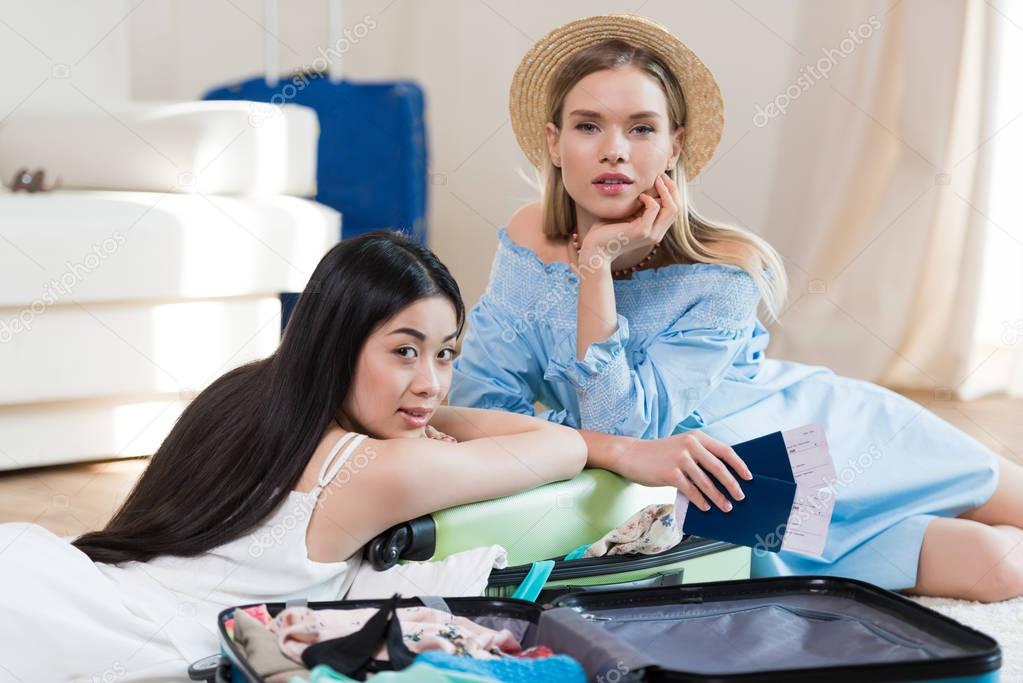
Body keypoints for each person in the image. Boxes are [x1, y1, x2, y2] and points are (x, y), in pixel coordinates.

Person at [449, 14, 1023, 603]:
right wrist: (593, 273)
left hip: (826, 438)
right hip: (740, 494)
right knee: (998, 568)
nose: (614, 151)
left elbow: (627, 429)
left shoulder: (724, 269)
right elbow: (478, 401)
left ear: (674, 145)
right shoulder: (529, 243)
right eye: (588, 125)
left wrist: (595, 270)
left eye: (641, 128)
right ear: (553, 141)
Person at [1, 230, 666, 682]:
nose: (431, 382)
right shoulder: (377, 470)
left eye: (445, 353)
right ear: (338, 345)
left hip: (49, 571)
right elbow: (554, 444)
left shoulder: (244, 392)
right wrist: (608, 446)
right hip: (70, 628)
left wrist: (413, 414)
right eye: (404, 350)